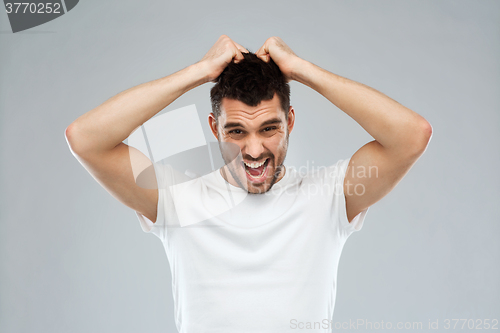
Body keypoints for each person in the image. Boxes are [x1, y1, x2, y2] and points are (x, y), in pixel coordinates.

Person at [65, 35, 432, 332]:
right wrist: (198, 72)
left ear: (290, 122)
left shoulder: (329, 197)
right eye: (236, 131)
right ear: (213, 128)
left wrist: (302, 70)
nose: (254, 150)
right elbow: (86, 139)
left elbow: (411, 136)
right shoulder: (178, 200)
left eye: (269, 128)